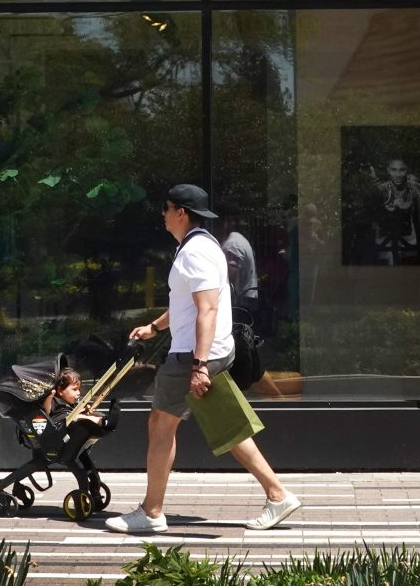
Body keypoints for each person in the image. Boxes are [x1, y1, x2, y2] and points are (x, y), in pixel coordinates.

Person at [105, 184, 301, 534]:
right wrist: (155, 326)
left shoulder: (195, 252)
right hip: (205, 351)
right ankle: (278, 494)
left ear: (181, 213)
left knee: (160, 424)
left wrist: (198, 365)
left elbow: (207, 310)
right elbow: (188, 303)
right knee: (226, 425)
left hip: (192, 356)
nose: (162, 215)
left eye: (166, 208)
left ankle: (151, 512)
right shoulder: (201, 246)